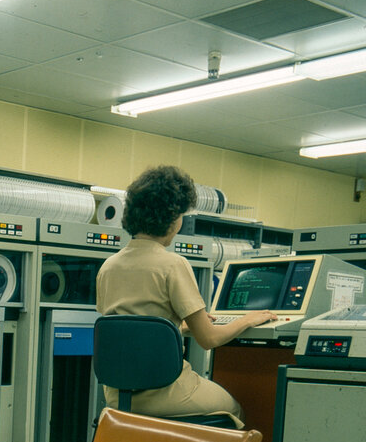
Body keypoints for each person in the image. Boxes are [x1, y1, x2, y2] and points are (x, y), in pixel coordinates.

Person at [95, 165, 277, 425]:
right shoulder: (173, 265)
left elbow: (131, 329)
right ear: (171, 218)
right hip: (166, 391)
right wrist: (245, 320)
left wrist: (176, 328)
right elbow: (208, 339)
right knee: (235, 410)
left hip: (117, 394)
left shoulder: (108, 267)